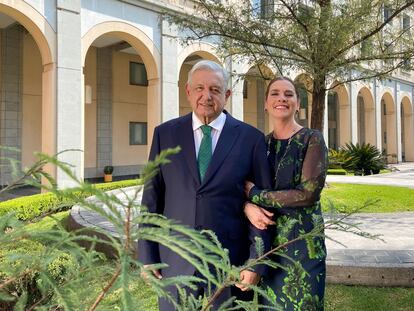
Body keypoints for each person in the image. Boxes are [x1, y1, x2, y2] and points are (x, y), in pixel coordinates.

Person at [137, 60, 272, 310]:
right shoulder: (164, 134)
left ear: (227, 95)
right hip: (174, 262)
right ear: (188, 91)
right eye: (199, 88)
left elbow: (261, 206)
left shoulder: (251, 139)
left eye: (215, 89)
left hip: (230, 265)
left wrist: (256, 261)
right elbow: (151, 200)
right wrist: (147, 256)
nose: (206, 96)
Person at [244, 77, 328, 310]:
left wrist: (256, 195)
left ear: (297, 104)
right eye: (275, 93)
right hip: (269, 249)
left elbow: (307, 194)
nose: (282, 98)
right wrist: (247, 205)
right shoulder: (261, 144)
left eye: (289, 94)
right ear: (266, 103)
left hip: (304, 249)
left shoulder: (312, 139)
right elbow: (241, 187)